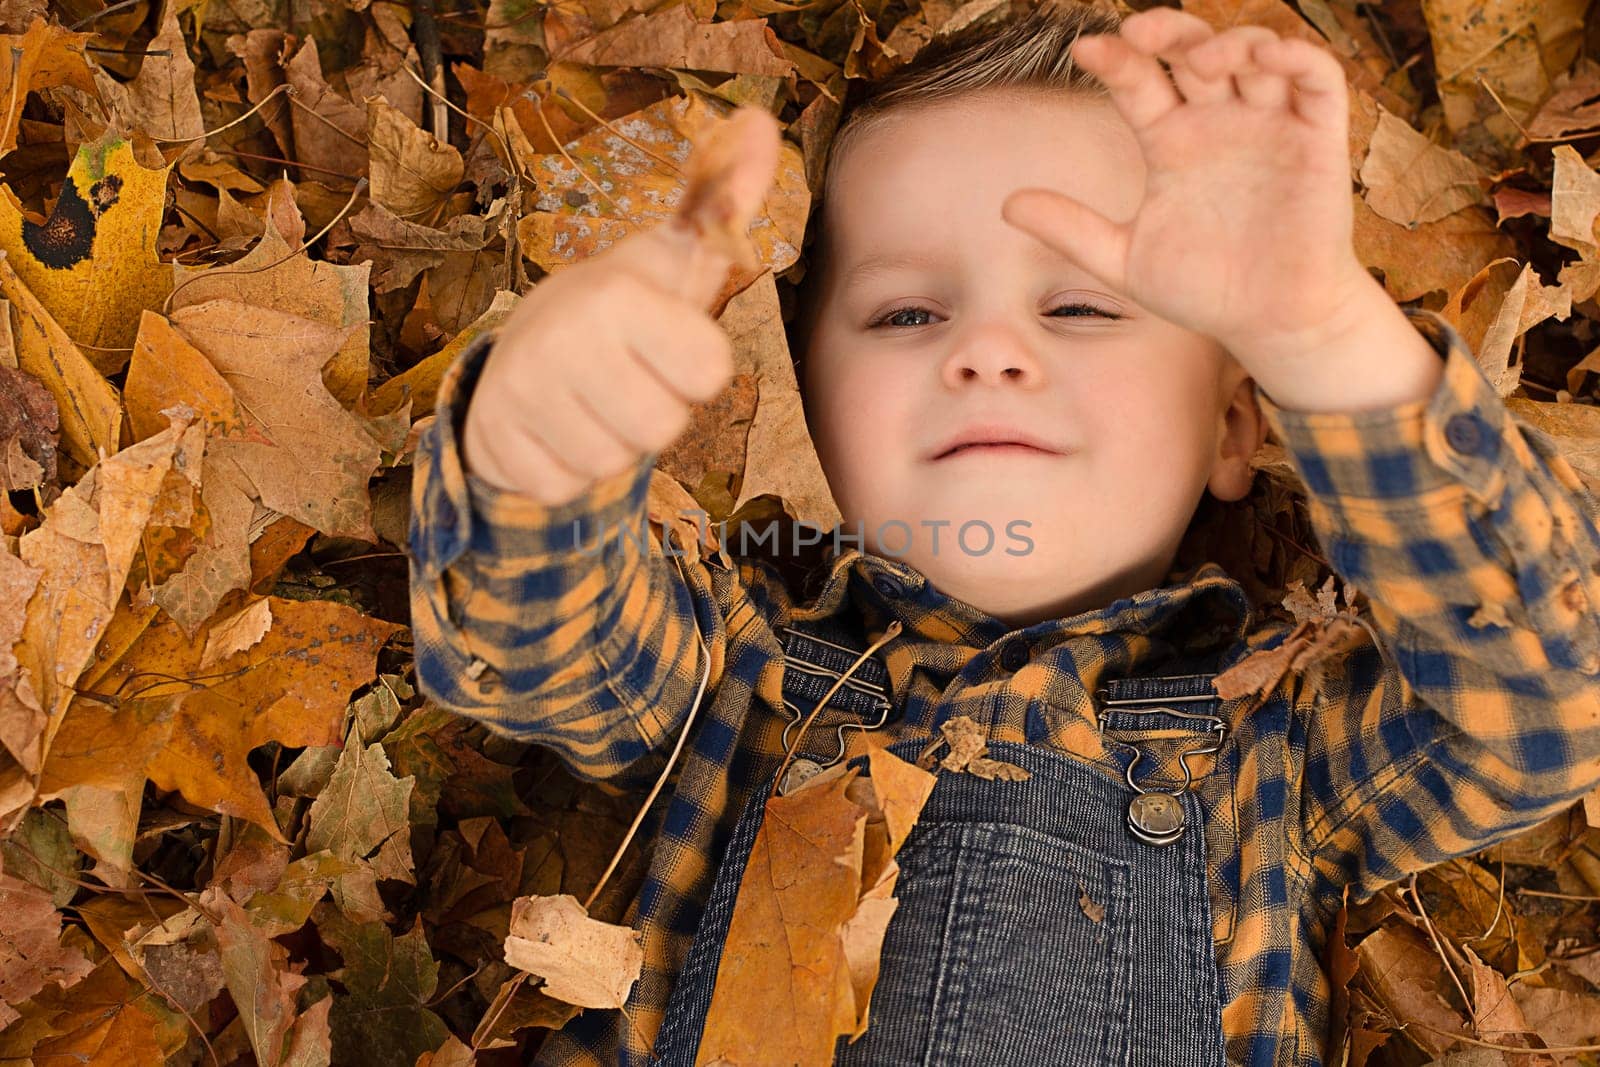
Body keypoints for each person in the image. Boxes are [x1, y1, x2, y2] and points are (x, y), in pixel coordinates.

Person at [406, 1, 1600, 1063]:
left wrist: (1326, 338)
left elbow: (1546, 693)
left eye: (1079, 304)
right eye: (905, 309)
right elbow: (536, 640)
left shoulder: (1284, 773)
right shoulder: (738, 677)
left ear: (1235, 423)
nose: (985, 348)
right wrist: (532, 455)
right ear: (809, 404)